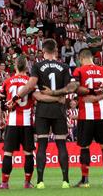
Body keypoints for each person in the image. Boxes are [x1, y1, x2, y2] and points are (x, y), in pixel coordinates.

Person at [11, 38, 77, 188]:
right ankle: (65, 181)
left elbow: (31, 86)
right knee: (61, 144)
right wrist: (57, 95)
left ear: (43, 51)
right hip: (59, 110)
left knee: (42, 145)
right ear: (55, 51)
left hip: (42, 110)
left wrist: (16, 97)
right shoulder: (64, 66)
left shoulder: (38, 66)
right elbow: (71, 87)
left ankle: (40, 181)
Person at [71, 49, 103, 188]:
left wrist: (91, 94)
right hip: (102, 114)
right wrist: (99, 97)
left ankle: (85, 181)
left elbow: (76, 88)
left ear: (81, 58)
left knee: (84, 147)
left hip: (86, 115)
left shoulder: (79, 71)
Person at [0, 54, 37, 190]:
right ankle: (27, 183)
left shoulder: (8, 82)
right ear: (26, 66)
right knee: (28, 154)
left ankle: (4, 183)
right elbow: (35, 100)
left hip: (12, 122)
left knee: (8, 153)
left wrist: (1, 119)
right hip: (27, 123)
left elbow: (1, 103)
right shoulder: (30, 81)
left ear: (15, 66)